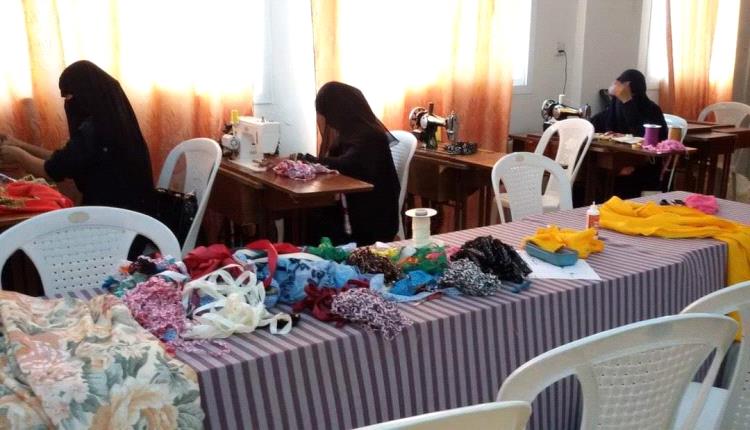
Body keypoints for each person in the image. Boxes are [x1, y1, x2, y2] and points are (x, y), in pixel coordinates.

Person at [0, 60, 155, 214]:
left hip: (112, 218)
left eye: (69, 97)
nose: (68, 103)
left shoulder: (95, 130)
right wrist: (19, 144)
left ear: (85, 94)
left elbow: (52, 170)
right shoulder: (113, 123)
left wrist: (19, 155)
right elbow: (64, 159)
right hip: (134, 213)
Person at [305, 81, 400, 246]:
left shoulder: (370, 136)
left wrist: (314, 161)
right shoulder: (350, 133)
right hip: (356, 206)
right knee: (307, 213)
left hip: (372, 217)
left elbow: (348, 165)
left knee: (314, 218)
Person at [590, 69, 668, 198]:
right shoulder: (614, 107)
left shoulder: (652, 110)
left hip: (643, 166)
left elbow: (644, 139)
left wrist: (628, 103)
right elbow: (595, 123)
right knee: (589, 171)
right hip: (616, 162)